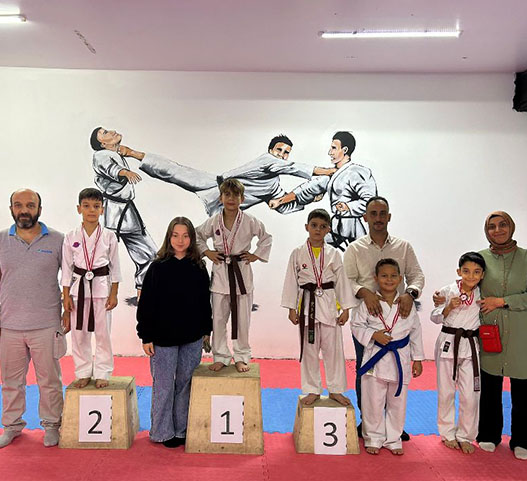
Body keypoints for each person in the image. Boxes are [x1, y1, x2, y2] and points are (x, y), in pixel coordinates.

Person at [434, 211, 527, 460]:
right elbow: (466, 282)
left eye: (502, 225)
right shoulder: (481, 257)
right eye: (492, 226)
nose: (497, 230)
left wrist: (501, 301)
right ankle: (488, 434)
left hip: (523, 331)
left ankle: (524, 440)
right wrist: (441, 296)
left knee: (525, 385)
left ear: (511, 227)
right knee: (488, 385)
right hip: (487, 331)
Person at [92, 128, 335, 216]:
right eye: (279, 150)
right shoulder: (267, 160)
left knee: (218, 242)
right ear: (271, 150)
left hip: (224, 207)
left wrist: (310, 199)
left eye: (285, 153)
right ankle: (134, 153)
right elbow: (294, 168)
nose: (281, 155)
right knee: (175, 172)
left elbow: (281, 206)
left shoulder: (273, 186)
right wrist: (328, 171)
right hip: (215, 183)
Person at [0, 189, 67, 448]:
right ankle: (11, 426)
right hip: (9, 325)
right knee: (11, 383)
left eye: (30, 205)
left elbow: (69, 279)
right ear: (11, 208)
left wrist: (67, 311)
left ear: (39, 209)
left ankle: (52, 425)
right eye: (18, 205)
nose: (24, 210)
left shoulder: (58, 240)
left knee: (50, 382)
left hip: (47, 324)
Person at [342, 196, 425, 440]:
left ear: (389, 217)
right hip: (368, 320)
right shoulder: (355, 248)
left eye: (382, 213)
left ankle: (393, 425)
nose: (378, 218)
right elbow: (346, 281)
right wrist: (364, 292)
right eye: (373, 213)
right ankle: (368, 422)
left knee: (396, 372)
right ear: (365, 217)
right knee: (366, 371)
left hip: (398, 317)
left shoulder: (403, 247)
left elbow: (417, 276)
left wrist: (410, 293)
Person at [136, 217, 212, 448]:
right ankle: (161, 432)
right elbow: (146, 304)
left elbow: (204, 303)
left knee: (185, 384)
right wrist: (146, 336)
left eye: (185, 236)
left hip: (192, 337)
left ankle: (181, 430)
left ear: (192, 239)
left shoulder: (199, 268)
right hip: (162, 338)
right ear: (169, 237)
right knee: (164, 385)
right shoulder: (157, 267)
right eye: (176, 235)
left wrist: (206, 330)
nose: (180, 240)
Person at [196, 178, 272, 372]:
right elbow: (197, 235)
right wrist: (207, 252)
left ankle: (241, 356)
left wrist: (256, 255)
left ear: (242, 199)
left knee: (243, 321)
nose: (231, 198)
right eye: (227, 194)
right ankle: (220, 356)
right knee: (218, 319)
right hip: (221, 274)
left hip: (241, 274)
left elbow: (266, 238)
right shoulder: (214, 221)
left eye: (235, 195)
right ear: (220, 198)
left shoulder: (250, 221)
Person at [281, 209, 356, 406]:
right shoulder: (297, 253)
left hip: (330, 305)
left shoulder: (334, 254)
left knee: (334, 351)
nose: (317, 230)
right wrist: (291, 308)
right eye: (314, 225)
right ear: (307, 227)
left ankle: (336, 389)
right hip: (307, 305)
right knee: (309, 352)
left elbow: (341, 281)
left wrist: (346, 308)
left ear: (328, 230)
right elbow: (291, 281)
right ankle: (312, 389)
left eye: (323, 227)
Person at [352, 259, 424, 455]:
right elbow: (356, 326)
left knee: (397, 402)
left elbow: (416, 332)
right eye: (384, 276)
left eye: (393, 276)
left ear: (400, 279)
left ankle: (393, 439)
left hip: (400, 357)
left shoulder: (406, 304)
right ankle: (373, 438)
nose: (389, 279)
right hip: (375, 357)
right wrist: (373, 335)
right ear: (376, 278)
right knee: (372, 402)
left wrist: (418, 359)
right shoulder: (368, 303)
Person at [269, 131, 377, 249]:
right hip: (336, 226)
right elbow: (307, 189)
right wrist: (280, 201)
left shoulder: (357, 172)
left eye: (334, 148)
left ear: (345, 150)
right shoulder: (332, 174)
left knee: (364, 256)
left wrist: (348, 207)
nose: (330, 152)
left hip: (354, 228)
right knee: (314, 248)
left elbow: (372, 202)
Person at [62, 188, 121, 389]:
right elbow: (66, 268)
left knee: (103, 334)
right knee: (79, 334)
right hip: (77, 290)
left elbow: (115, 267)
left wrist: (114, 293)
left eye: (96, 206)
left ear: (102, 210)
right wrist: (65, 296)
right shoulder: (71, 236)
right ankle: (83, 371)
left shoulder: (109, 236)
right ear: (79, 209)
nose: (91, 210)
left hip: (102, 289)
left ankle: (103, 371)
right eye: (86, 206)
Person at [430, 252, 485, 454]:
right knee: (446, 392)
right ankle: (447, 433)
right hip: (448, 342)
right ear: (458, 271)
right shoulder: (448, 290)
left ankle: (465, 435)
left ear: (482, 275)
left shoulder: (482, 293)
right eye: (466, 271)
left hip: (470, 345)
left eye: (476, 272)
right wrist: (447, 308)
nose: (471, 276)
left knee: (471, 395)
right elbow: (434, 317)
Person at [90, 127, 157, 293]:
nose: (111, 131)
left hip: (126, 211)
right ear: (102, 144)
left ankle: (144, 289)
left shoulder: (115, 153)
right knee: (100, 255)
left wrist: (128, 153)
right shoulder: (101, 155)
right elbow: (109, 168)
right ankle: (93, 290)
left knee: (149, 253)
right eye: (105, 133)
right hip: (113, 211)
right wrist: (124, 172)